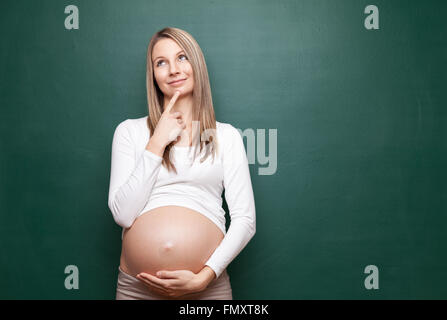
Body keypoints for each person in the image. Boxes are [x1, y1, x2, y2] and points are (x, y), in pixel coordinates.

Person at [108, 27, 256, 300]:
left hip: (207, 290)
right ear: (153, 75)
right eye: (161, 63)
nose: (173, 69)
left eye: (182, 58)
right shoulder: (129, 132)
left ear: (196, 65)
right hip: (136, 291)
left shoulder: (226, 136)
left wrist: (204, 278)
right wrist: (157, 142)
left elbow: (245, 220)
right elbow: (123, 214)